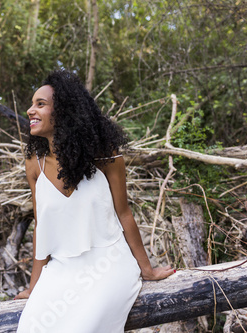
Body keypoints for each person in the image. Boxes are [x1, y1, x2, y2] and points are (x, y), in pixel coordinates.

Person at [15, 69, 174, 333]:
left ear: (63, 111)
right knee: (31, 327)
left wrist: (147, 269)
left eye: (40, 104)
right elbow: (40, 226)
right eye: (32, 104)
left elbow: (124, 214)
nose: (30, 110)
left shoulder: (105, 156)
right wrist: (34, 286)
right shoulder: (35, 163)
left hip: (109, 264)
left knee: (85, 326)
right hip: (61, 269)